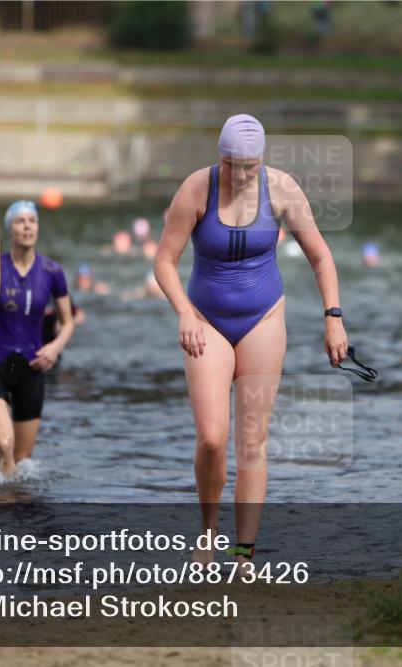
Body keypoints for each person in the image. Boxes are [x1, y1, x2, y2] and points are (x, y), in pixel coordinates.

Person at [154, 114, 348, 567]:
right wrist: (184, 313)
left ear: (261, 160)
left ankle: (244, 551)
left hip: (264, 319)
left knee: (252, 443)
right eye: (230, 164)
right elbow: (164, 261)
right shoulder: (197, 189)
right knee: (211, 437)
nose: (240, 174)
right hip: (205, 320)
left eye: (249, 166)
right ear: (219, 156)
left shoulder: (281, 188)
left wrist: (333, 318)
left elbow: (321, 257)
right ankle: (208, 532)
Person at [0, 201, 74, 476]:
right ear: (9, 229)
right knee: (5, 442)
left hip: (32, 368)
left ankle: (4, 497)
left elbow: (67, 322)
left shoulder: (52, 272)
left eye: (32, 221)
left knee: (22, 459)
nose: (27, 226)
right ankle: (0, 488)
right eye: (20, 221)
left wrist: (55, 348)